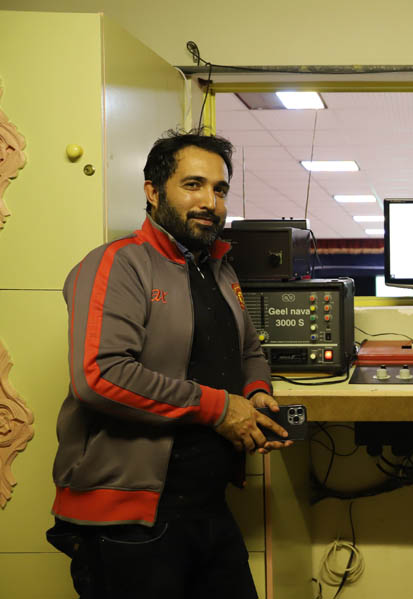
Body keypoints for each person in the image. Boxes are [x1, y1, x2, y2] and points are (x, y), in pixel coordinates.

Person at [46, 130, 293, 599]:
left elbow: (248, 351)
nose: (210, 202)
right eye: (193, 185)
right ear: (153, 191)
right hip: (129, 519)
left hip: (207, 506)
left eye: (219, 190)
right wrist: (221, 409)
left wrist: (256, 393)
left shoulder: (218, 268)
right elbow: (100, 376)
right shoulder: (117, 264)